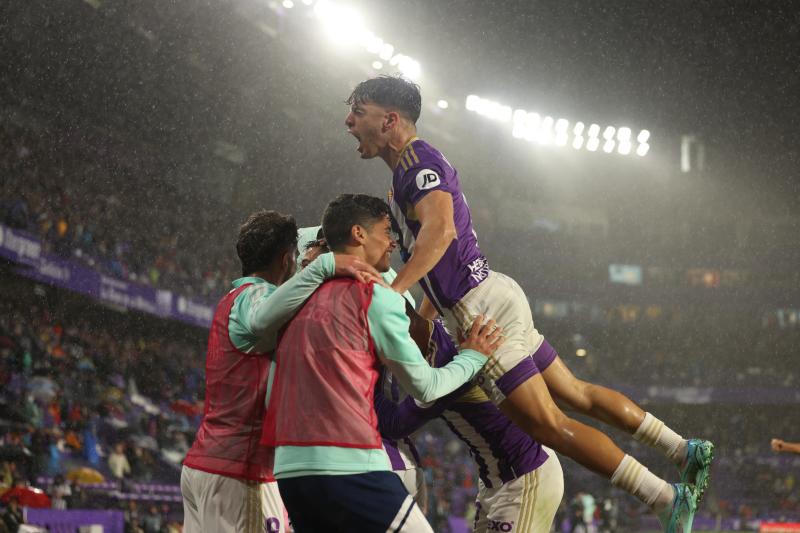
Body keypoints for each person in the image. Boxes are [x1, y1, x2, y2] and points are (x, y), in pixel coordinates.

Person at [344, 75, 713, 532]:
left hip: (478, 311)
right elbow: (435, 264)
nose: (349, 121)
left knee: (549, 426)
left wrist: (393, 290)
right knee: (576, 392)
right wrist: (420, 317)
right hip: (487, 293)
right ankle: (683, 449)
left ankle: (664, 496)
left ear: (389, 119)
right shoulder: (406, 176)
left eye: (357, 111)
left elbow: (440, 234)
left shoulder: (419, 163)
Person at [263, 194, 504, 532]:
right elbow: (425, 386)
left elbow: (257, 325)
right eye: (387, 230)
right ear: (359, 234)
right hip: (350, 463)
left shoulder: (293, 297)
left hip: (290, 470)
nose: (393, 241)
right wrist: (473, 356)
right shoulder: (376, 296)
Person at [181, 209, 382, 533]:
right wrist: (328, 264)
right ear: (286, 258)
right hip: (241, 471)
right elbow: (265, 318)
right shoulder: (258, 297)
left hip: (208, 464)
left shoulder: (231, 299)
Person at [375, 308, 565, 533]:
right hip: (497, 478)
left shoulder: (444, 365)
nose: (386, 358)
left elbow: (395, 424)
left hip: (525, 474)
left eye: (384, 347)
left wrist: (362, 383)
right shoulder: (443, 336)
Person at [298, 233, 430, 513]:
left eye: (314, 253)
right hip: (375, 459)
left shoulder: (342, 310)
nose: (305, 264)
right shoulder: (359, 300)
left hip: (374, 461)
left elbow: (393, 417)